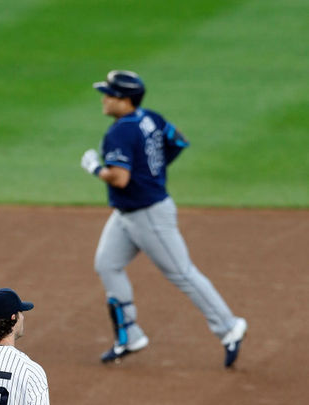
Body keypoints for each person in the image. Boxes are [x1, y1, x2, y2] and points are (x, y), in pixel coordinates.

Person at [80, 70, 247, 367]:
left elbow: (118, 178)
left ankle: (229, 326)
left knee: (182, 273)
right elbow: (177, 141)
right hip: (127, 214)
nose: (104, 99)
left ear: (126, 100)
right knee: (107, 264)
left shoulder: (120, 131)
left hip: (149, 215)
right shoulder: (150, 118)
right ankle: (130, 335)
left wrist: (94, 167)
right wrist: (153, 169)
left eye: (110, 95)